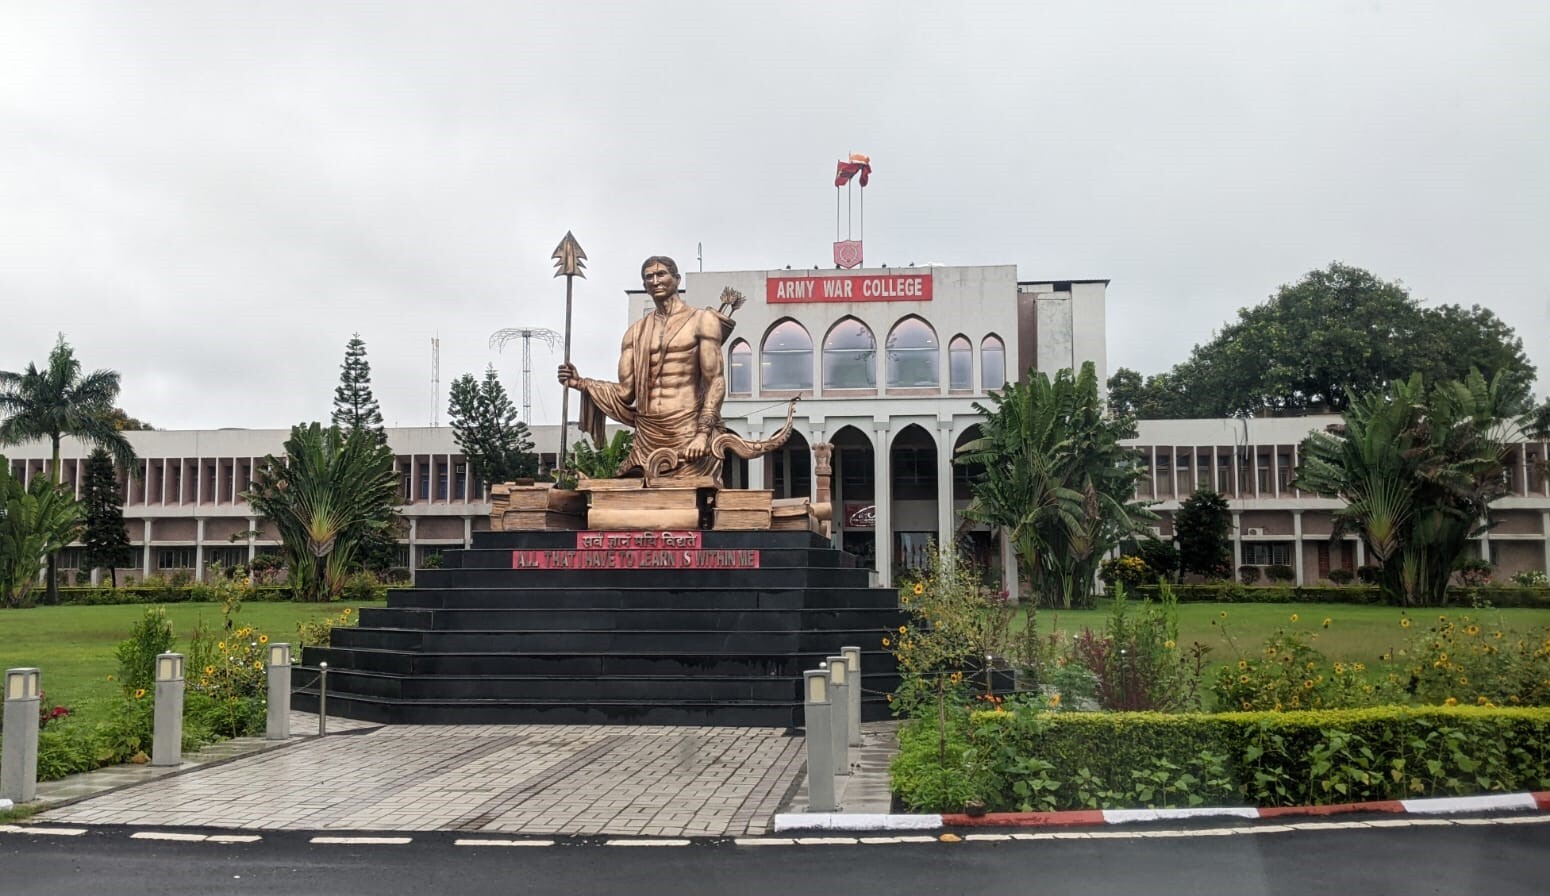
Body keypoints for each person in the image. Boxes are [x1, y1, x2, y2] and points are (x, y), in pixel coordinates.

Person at [558, 256, 734, 482]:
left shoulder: (702, 320)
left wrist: (703, 434)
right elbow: (625, 392)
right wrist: (580, 383)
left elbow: (715, 381)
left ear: (677, 279)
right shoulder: (635, 332)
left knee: (688, 507)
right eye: (649, 277)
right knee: (631, 499)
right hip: (647, 436)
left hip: (688, 432)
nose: (655, 280)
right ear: (644, 286)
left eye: (661, 274)